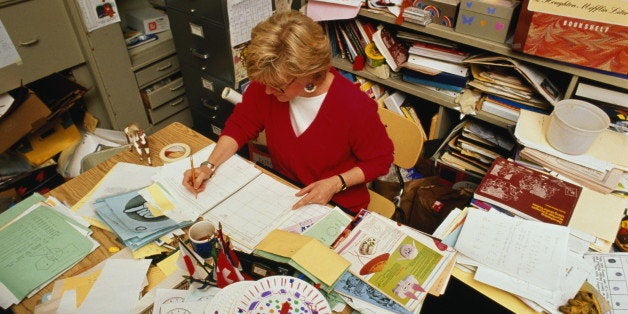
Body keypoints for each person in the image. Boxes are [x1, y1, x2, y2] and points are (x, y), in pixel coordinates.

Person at [182, 10, 393, 214]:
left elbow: (380, 161)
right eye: (264, 83)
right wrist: (208, 166)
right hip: (285, 191)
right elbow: (241, 124)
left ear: (309, 74)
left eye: (278, 86)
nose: (267, 91)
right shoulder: (269, 82)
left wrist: (336, 183)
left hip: (337, 204)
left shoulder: (354, 106)